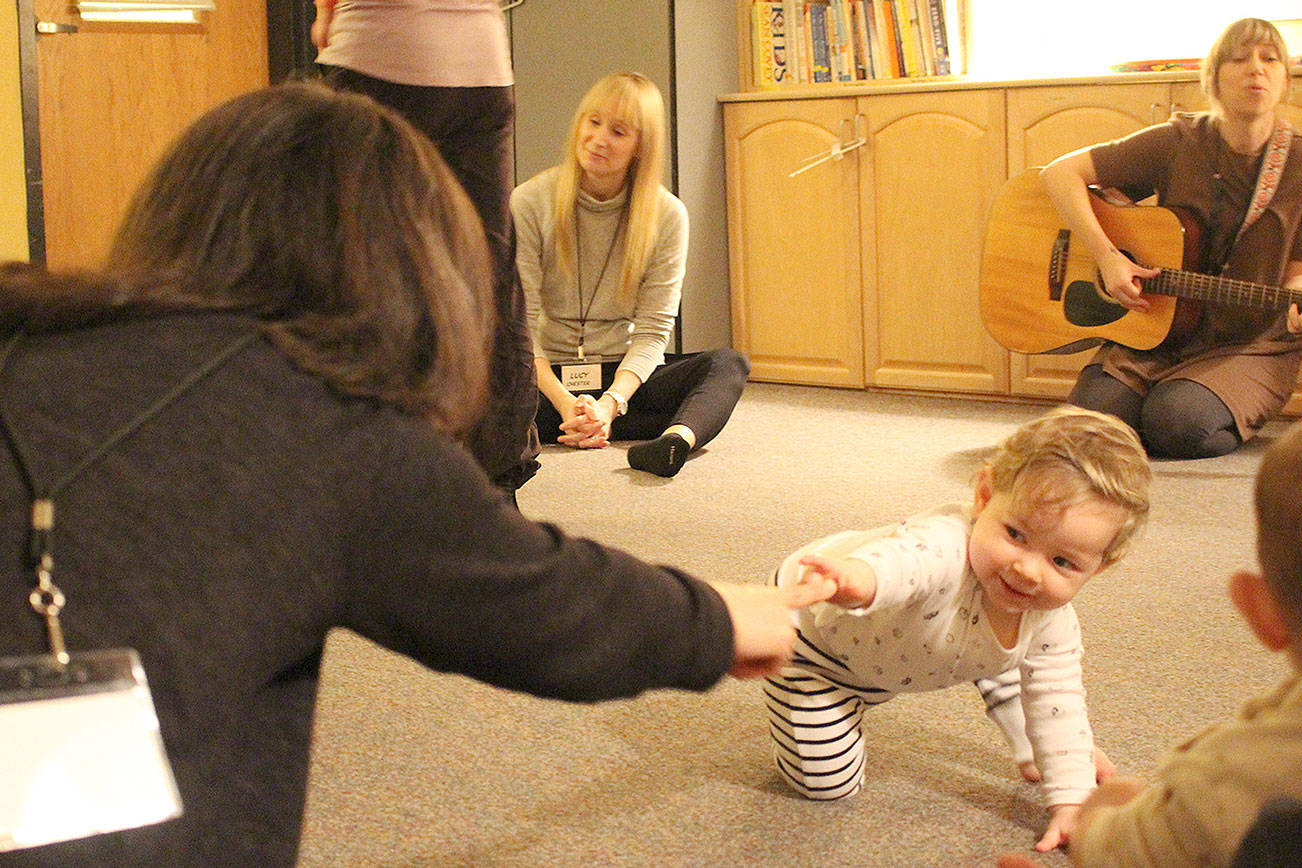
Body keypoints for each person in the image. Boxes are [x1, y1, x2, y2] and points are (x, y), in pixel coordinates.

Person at [0, 82, 832, 866]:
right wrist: (715, 615)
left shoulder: (28, 325)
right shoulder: (333, 434)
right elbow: (538, 601)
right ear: (411, 261)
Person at [766, 406, 1152, 851]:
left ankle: (1009, 687)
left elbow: (1059, 700)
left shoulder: (1050, 621)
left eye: (1063, 562)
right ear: (984, 496)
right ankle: (794, 693)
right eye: (1016, 535)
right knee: (827, 784)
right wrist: (855, 580)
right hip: (816, 636)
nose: (1027, 570)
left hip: (919, 642)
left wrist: (1071, 801)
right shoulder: (943, 545)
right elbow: (903, 565)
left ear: (1100, 567)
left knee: (1035, 680)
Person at [997, 419, 1302, 866]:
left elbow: (1113, 851)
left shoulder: (1239, 775)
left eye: (1063, 560)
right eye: (1015, 534)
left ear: (1259, 610)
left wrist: (1103, 811)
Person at [1041, 18, 1302, 460]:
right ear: (1214, 78)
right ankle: (1151, 400)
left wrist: (1296, 299)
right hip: (1154, 330)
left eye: (1269, 59)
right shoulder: (1179, 140)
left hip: (1248, 343)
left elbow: (1297, 270)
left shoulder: (1299, 161)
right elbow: (1060, 173)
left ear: (1284, 81)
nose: (1255, 69)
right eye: (1239, 59)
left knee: (1178, 425)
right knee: (1090, 427)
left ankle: (1191, 402)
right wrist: (1108, 257)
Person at [312, 0, 540, 499]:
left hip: (381, 57)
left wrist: (324, 11)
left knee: (363, 269)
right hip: (484, 68)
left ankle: (374, 477)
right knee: (491, 270)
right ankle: (497, 487)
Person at [512, 71, 750, 478]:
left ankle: (673, 442)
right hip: (541, 378)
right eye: (593, 122)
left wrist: (608, 403)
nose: (599, 139)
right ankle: (578, 423)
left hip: (623, 381)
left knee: (727, 364)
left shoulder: (667, 215)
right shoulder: (530, 201)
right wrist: (566, 400)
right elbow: (521, 324)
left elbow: (654, 332)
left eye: (619, 131)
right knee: (471, 385)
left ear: (641, 146)